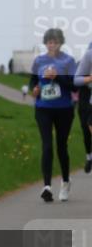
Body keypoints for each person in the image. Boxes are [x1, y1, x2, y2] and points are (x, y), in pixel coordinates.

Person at [28, 29, 77, 201]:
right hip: (43, 108)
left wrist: (58, 77)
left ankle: (65, 182)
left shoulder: (68, 61)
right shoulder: (39, 60)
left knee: (61, 147)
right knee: (47, 146)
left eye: (55, 42)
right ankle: (47, 186)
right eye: (49, 42)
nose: (52, 45)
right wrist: (33, 89)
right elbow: (32, 81)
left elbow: (75, 86)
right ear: (45, 43)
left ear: (61, 43)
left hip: (64, 109)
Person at [76, 45, 92, 174]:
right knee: (86, 128)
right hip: (85, 97)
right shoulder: (88, 55)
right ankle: (89, 157)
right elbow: (76, 80)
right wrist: (89, 79)